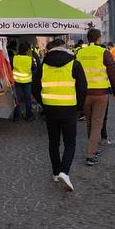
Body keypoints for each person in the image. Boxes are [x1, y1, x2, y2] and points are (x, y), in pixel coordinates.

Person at [32, 39, 87, 191]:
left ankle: (56, 172)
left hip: (50, 109)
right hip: (69, 109)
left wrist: (44, 103)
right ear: (64, 48)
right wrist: (79, 109)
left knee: (53, 141)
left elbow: (35, 88)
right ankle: (64, 170)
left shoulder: (44, 65)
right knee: (70, 143)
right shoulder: (74, 64)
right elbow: (83, 88)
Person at [76, 28, 115, 166]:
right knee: (97, 124)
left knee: (90, 122)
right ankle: (90, 155)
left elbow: (76, 71)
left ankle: (93, 149)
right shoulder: (104, 52)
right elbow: (112, 73)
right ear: (98, 39)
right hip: (100, 93)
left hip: (84, 93)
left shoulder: (80, 53)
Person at [12, 42, 36, 122]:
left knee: (17, 99)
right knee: (28, 99)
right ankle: (29, 116)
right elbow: (34, 68)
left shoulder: (14, 58)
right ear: (27, 50)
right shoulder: (30, 59)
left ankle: (16, 117)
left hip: (17, 81)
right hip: (27, 81)